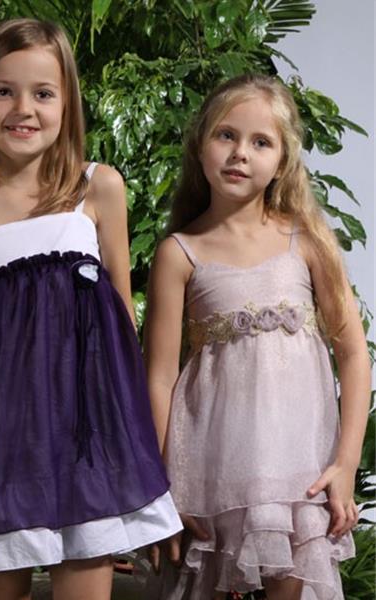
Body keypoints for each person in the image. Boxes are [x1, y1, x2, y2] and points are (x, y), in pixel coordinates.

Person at [0, 18, 181, 600]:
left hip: (88, 440)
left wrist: (133, 432)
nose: (24, 109)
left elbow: (122, 316)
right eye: (3, 91)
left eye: (43, 93)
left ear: (67, 103)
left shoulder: (99, 188)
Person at [144, 74, 371, 600]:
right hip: (206, 466)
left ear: (283, 159)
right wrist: (163, 484)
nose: (240, 153)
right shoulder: (179, 252)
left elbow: (354, 353)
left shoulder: (307, 241)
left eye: (260, 142)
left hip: (297, 470)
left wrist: (345, 462)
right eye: (226, 135)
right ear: (200, 142)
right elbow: (159, 376)